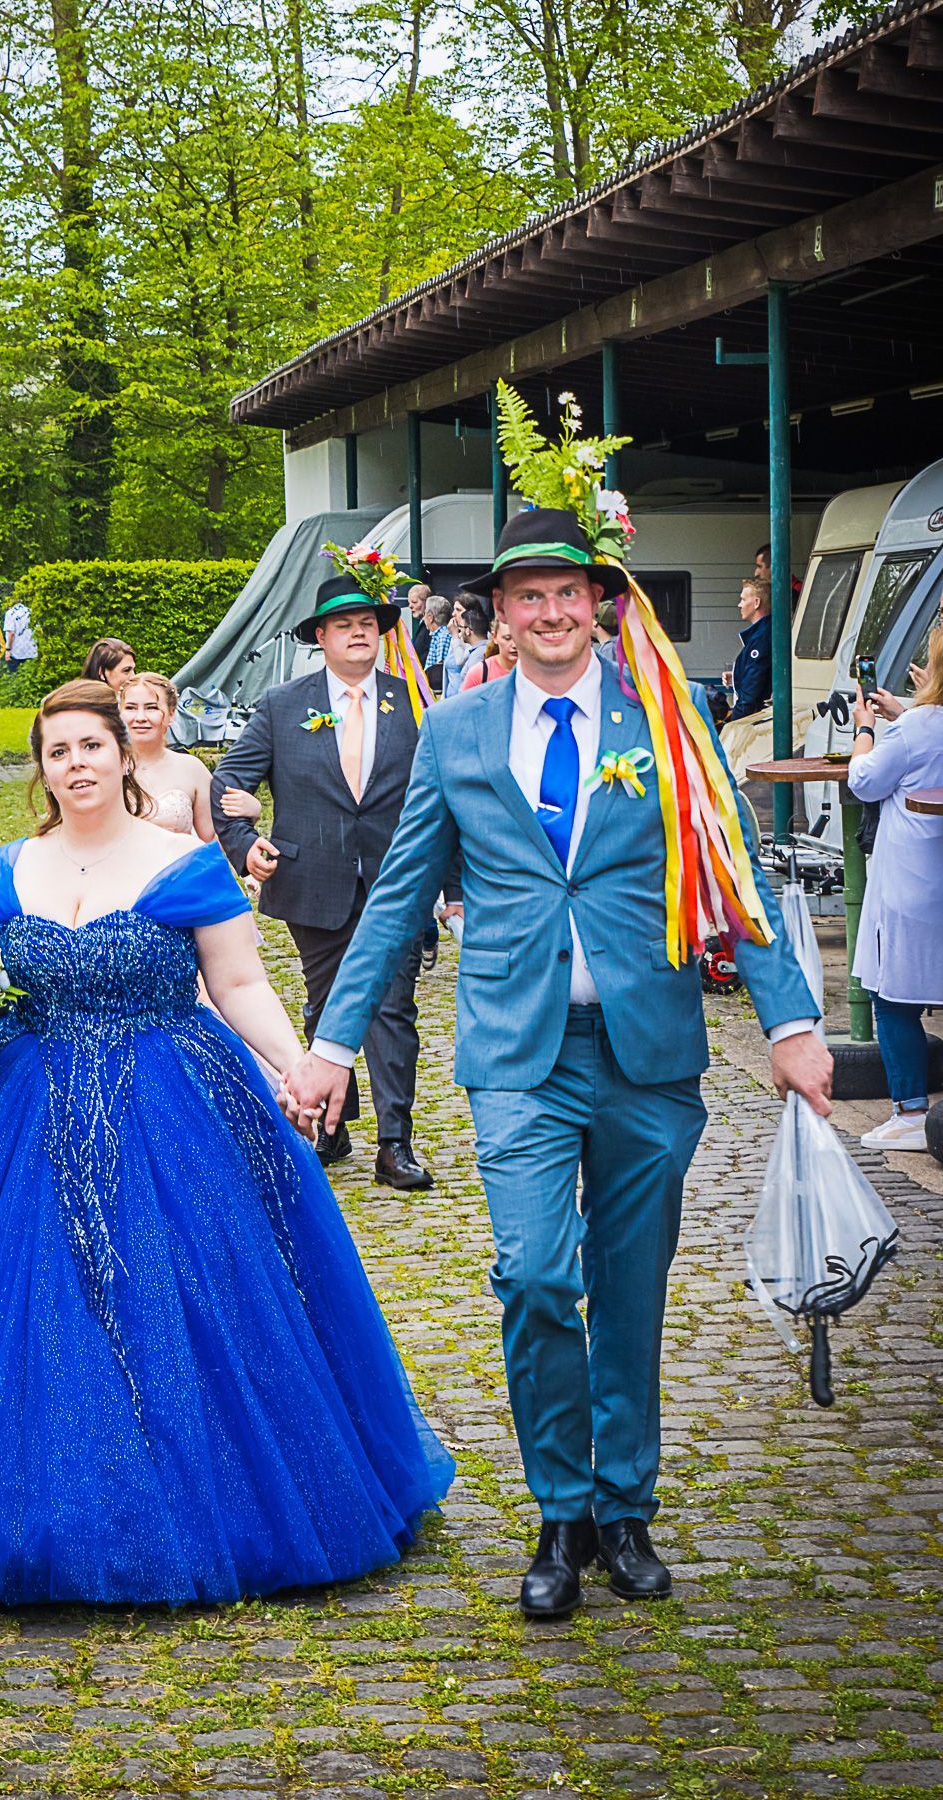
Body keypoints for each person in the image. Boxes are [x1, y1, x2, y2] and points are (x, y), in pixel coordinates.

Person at [0, 680, 453, 1608]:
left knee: (176, 1286)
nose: (76, 764)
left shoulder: (185, 864)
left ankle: (196, 1488)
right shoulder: (8, 871)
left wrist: (297, 1068)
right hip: (18, 1103)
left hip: (168, 1095)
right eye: (58, 751)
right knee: (8, 1291)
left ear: (122, 754)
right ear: (42, 768)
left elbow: (238, 985)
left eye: (90, 746)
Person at [282, 506, 827, 1620]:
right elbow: (399, 894)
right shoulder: (458, 731)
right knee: (535, 1274)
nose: (548, 613)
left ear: (600, 605)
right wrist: (332, 1042)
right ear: (501, 613)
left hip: (647, 1055)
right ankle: (558, 1511)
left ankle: (624, 1509)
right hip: (516, 1053)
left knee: (628, 1286)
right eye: (526, 596)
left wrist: (788, 1023)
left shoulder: (665, 718)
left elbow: (737, 873)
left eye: (566, 593)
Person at [210, 569, 438, 1191]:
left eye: (367, 624)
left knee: (393, 1009)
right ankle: (333, 1122)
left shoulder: (413, 704)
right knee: (326, 1002)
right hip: (312, 881)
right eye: (344, 625)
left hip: (395, 882)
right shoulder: (284, 705)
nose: (358, 633)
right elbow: (228, 781)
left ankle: (395, 1142)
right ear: (321, 636)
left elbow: (440, 796)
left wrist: (449, 888)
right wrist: (245, 847)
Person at [848, 626, 943, 1152]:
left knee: (892, 998)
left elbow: (864, 780)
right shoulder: (918, 723)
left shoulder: (912, 729)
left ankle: (910, 1112)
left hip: (909, 882)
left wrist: (866, 728)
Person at [120, 671, 216, 839]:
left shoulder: (192, 769)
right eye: (131, 708)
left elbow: (211, 839)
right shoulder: (106, 767)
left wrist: (247, 814)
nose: (140, 717)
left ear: (171, 714)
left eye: (151, 708)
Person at [725, 577, 772, 720]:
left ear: (756, 602)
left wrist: (734, 723)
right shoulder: (765, 633)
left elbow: (751, 691)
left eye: (743, 600)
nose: (739, 605)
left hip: (754, 718)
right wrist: (736, 676)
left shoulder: (761, 638)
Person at [441, 592, 487, 698]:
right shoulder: (459, 635)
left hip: (462, 698)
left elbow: (459, 662)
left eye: (458, 610)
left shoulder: (477, 637)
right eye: (454, 609)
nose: (453, 614)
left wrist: (455, 636)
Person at [461, 616, 519, 690]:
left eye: (518, 638)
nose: (514, 645)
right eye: (507, 638)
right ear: (494, 637)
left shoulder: (532, 672)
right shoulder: (479, 673)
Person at [754, 543, 801, 610]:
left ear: (774, 567)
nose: (756, 574)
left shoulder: (798, 592)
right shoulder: (769, 590)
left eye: (760, 567)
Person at [423, 596, 452, 692]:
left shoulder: (443, 636)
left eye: (424, 613)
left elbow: (439, 669)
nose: (423, 618)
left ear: (430, 618)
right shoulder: (437, 636)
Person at [3, 599, 38, 672]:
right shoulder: (31, 611)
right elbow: (38, 630)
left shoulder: (10, 613)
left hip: (16, 652)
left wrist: (8, 649)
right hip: (31, 650)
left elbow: (11, 633)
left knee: (15, 674)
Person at [406, 583, 432, 663]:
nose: (410, 606)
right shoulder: (422, 624)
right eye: (409, 602)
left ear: (426, 602)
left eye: (414, 602)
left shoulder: (430, 627)